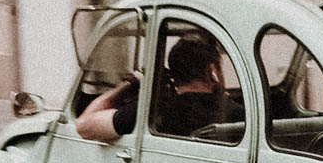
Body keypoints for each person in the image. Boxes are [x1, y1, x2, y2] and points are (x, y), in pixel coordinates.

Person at [75, 34, 224, 143]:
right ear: (211, 71)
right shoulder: (235, 112)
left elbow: (84, 126)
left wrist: (128, 86)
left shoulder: (157, 110)